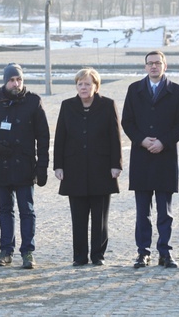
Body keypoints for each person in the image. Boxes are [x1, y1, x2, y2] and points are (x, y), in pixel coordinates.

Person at [0, 63, 50, 269]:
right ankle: (6, 250)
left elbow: (43, 137)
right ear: (5, 81)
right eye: (12, 80)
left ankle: (28, 251)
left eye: (19, 79)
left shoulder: (33, 101)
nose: (16, 83)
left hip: (25, 164)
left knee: (27, 210)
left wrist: (42, 166)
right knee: (5, 209)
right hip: (1, 164)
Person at [121, 50, 179, 269]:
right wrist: (141, 140)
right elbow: (127, 121)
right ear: (145, 67)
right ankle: (143, 252)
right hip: (141, 157)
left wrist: (164, 142)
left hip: (165, 157)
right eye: (150, 63)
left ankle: (165, 251)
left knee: (165, 211)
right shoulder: (134, 90)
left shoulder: (176, 91)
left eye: (157, 63)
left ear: (165, 66)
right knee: (143, 212)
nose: (153, 67)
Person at [54, 68, 122, 266]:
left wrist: (115, 164)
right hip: (73, 167)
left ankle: (97, 255)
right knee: (79, 217)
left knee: (100, 217)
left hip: (101, 168)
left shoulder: (108, 105)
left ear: (96, 86)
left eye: (87, 84)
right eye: (80, 84)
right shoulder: (67, 106)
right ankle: (79, 256)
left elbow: (115, 137)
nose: (83, 87)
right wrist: (58, 165)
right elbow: (60, 137)